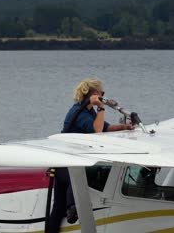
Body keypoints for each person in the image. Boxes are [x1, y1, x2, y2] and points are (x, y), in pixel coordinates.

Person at [46, 78, 134, 233]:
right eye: (102, 93)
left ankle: (66, 211)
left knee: (57, 209)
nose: (104, 96)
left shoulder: (86, 111)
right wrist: (101, 108)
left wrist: (124, 127)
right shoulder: (78, 112)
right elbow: (97, 131)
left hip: (66, 160)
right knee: (76, 181)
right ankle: (72, 207)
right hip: (65, 162)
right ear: (95, 94)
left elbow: (104, 127)